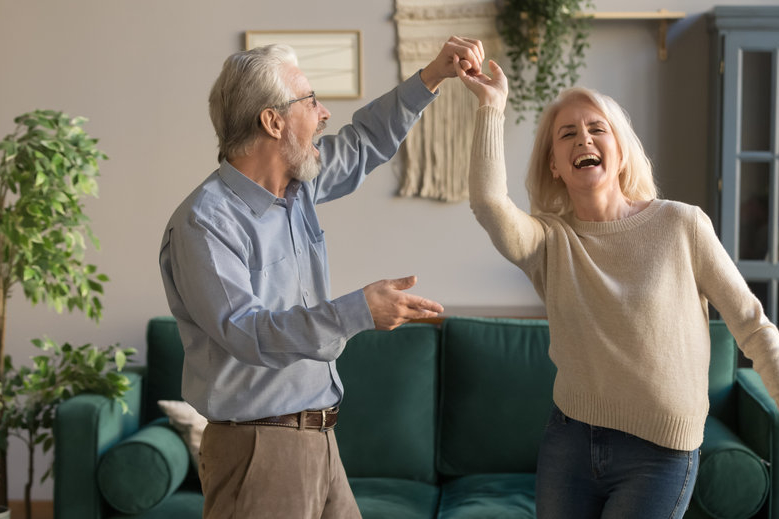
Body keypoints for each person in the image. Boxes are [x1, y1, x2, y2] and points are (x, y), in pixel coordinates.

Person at [159, 37, 485, 519]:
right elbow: (246, 332)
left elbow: (365, 141)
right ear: (273, 121)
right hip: (259, 449)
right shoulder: (206, 223)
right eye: (310, 101)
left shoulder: (298, 190)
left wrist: (432, 76)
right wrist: (357, 311)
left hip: (319, 439)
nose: (324, 113)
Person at [455, 59, 779, 518]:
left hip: (661, 453)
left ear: (620, 150)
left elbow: (750, 322)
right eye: (567, 134)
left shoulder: (681, 225)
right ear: (555, 165)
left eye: (595, 128)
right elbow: (489, 203)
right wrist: (491, 105)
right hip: (570, 442)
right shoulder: (549, 242)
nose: (583, 139)